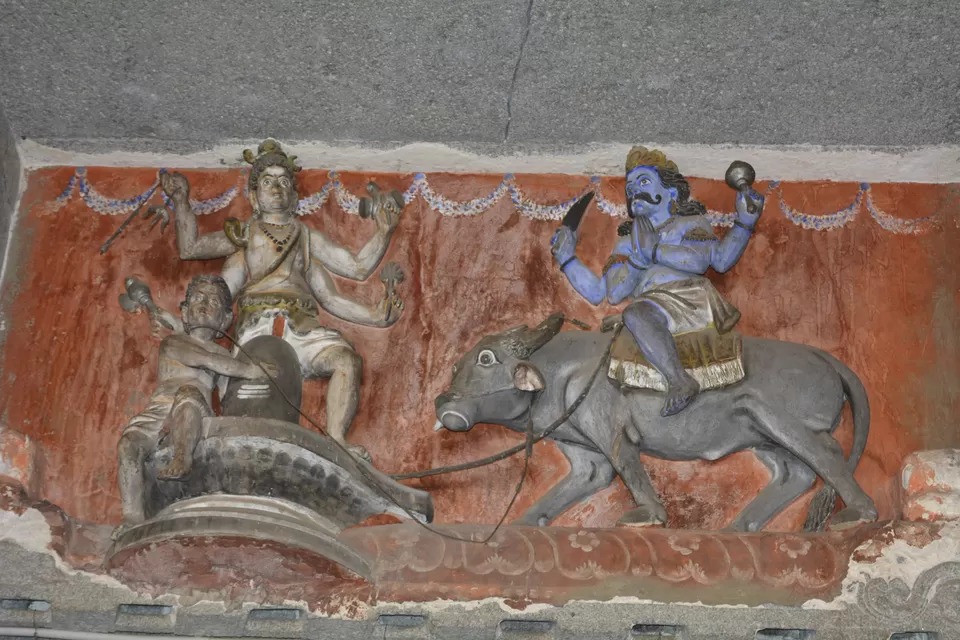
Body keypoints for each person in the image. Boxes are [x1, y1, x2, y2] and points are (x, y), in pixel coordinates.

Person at [157, 140, 403, 459]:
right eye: (268, 181)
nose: (276, 187)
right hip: (255, 328)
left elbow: (352, 272)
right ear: (254, 196)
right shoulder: (244, 237)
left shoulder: (305, 239)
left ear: (295, 198)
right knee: (241, 387)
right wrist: (181, 201)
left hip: (302, 326)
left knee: (347, 360)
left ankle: (338, 440)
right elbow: (191, 250)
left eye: (284, 181)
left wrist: (382, 238)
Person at [551, 146, 764, 416]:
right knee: (633, 314)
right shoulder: (627, 242)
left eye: (643, 182)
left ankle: (680, 380)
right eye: (629, 188)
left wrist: (745, 223)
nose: (633, 191)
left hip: (688, 300)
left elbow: (713, 261)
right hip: (652, 306)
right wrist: (568, 260)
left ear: (671, 192)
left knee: (636, 313)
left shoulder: (688, 224)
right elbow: (606, 293)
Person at [117, 274, 274, 525]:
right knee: (128, 445)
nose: (204, 304)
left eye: (213, 302)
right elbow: (206, 360)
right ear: (186, 312)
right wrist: (249, 370)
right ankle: (132, 517)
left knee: (189, 394)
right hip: (159, 409)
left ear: (225, 320)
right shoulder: (173, 342)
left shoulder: (225, 354)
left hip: (195, 411)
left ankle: (182, 456)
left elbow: (226, 397)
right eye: (198, 298)